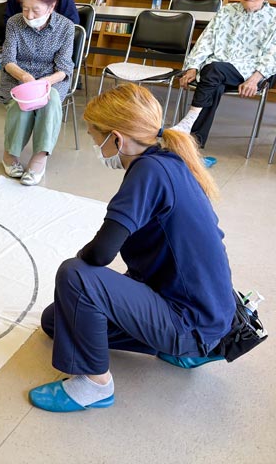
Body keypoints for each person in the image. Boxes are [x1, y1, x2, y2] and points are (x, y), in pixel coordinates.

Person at [29, 84, 236, 413]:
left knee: (75, 275)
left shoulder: (147, 173)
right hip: (207, 310)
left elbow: (101, 253)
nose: (95, 145)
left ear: (116, 138)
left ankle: (94, 385)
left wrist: (88, 270)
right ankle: (185, 348)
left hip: (192, 321)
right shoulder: (169, 159)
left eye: (95, 137)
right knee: (56, 321)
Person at [172, 0, 276, 147]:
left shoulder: (273, 18)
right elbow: (207, 39)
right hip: (218, 69)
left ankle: (189, 120)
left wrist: (254, 79)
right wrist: (192, 67)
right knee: (215, 83)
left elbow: (273, 53)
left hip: (251, 72)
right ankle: (195, 141)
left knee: (212, 71)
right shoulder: (227, 11)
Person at [0, 0, 74, 186]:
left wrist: (43, 83)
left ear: (51, 7)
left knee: (50, 102)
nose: (29, 16)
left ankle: (39, 158)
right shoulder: (14, 22)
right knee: (22, 102)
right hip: (18, 77)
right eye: (25, 9)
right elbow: (8, 60)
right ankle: (10, 155)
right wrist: (24, 77)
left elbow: (64, 69)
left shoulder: (66, 28)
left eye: (36, 10)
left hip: (52, 80)